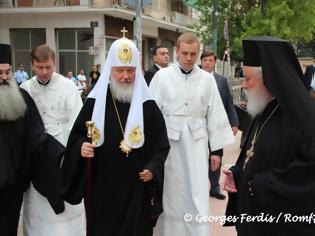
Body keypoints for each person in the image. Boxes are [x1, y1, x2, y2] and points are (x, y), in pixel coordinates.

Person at [60, 36, 170, 236]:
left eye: (130, 71)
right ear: (110, 70)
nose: (126, 76)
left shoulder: (148, 105)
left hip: (137, 187)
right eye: (120, 71)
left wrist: (153, 168)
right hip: (103, 187)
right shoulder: (95, 102)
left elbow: (161, 144)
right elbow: (77, 136)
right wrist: (81, 146)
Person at [223, 36, 315, 236]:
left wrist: (261, 185)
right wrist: (238, 174)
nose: (244, 85)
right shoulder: (263, 108)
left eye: (248, 79)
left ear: (270, 78)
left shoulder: (303, 117)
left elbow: (307, 174)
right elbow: (253, 154)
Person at [149, 32, 235, 236]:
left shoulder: (207, 79)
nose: (189, 58)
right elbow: (151, 114)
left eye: (193, 54)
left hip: (197, 145)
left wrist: (217, 151)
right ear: (176, 51)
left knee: (196, 191)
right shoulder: (161, 77)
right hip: (168, 145)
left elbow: (215, 115)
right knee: (171, 191)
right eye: (185, 53)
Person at [20, 45, 85, 236]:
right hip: (36, 156)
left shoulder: (68, 87)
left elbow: (78, 122)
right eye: (40, 67)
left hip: (62, 152)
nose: (44, 72)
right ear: (32, 65)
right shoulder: (25, 89)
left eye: (48, 67)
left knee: (65, 201)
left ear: (54, 63)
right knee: (37, 201)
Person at [0, 43, 64, 236]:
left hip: (12, 186)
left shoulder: (21, 98)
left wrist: (64, 154)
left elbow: (37, 137)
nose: (4, 78)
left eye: (7, 72)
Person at [200, 50, 239, 200]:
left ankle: (214, 187)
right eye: (205, 60)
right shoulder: (195, 77)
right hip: (200, 125)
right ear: (201, 61)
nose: (207, 63)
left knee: (216, 156)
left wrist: (234, 122)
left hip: (217, 125)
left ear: (214, 62)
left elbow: (229, 102)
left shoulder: (221, 80)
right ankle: (200, 186)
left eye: (210, 60)